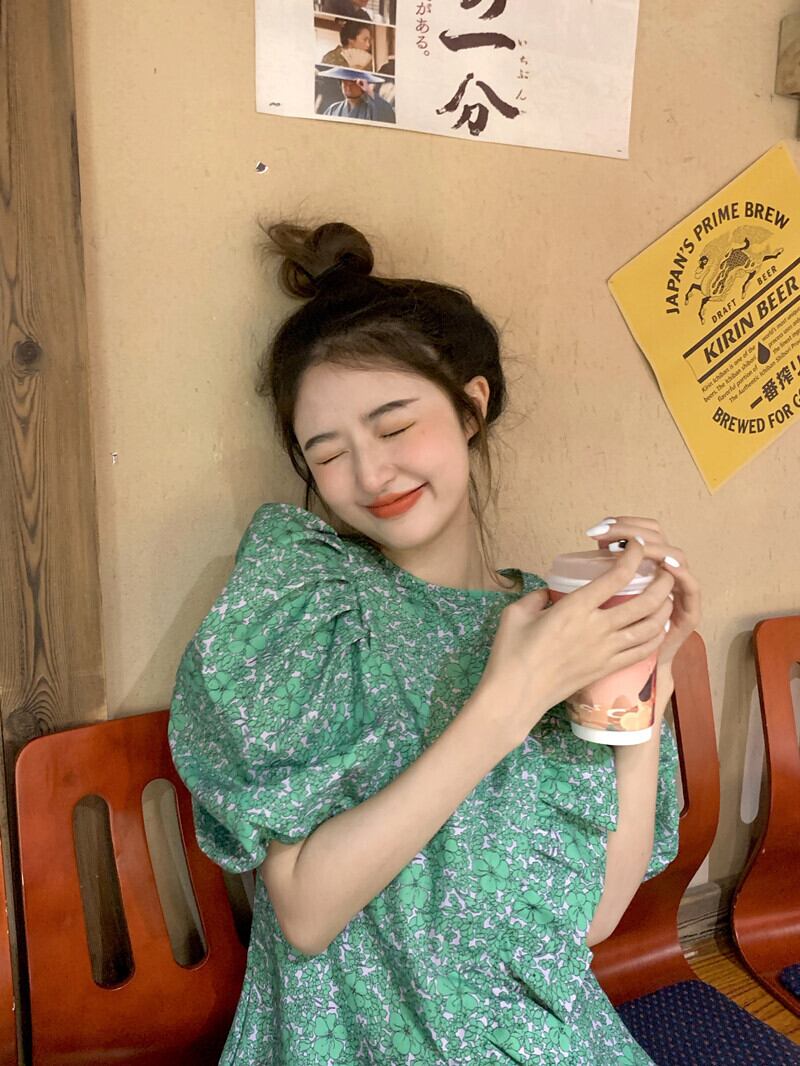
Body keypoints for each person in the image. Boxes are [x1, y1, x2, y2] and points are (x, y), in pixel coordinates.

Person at [168, 221, 702, 1065]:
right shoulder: (308, 603)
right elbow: (304, 914)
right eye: (328, 453)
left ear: (471, 406)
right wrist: (510, 700)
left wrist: (647, 679)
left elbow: (592, 919)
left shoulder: (552, 619)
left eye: (394, 427)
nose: (371, 474)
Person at [323, 73, 395, 123]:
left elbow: (388, 117)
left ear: (362, 85)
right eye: (345, 82)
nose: (348, 87)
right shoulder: (333, 109)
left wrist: (369, 91)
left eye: (353, 83)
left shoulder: (373, 109)